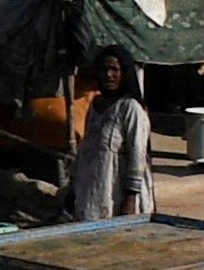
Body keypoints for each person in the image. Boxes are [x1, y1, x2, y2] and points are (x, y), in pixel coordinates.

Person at [66, 61, 154, 225]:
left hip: (118, 196)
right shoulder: (95, 105)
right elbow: (86, 147)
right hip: (92, 193)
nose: (108, 75)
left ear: (124, 74)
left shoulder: (131, 108)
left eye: (114, 69)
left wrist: (130, 200)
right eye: (104, 69)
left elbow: (138, 156)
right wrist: (73, 189)